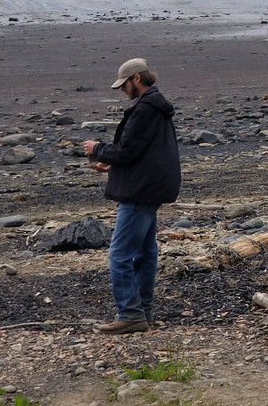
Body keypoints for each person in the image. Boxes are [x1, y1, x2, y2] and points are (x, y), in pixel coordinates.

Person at [83, 57, 181, 335]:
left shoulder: (145, 109)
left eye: (124, 85)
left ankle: (130, 313)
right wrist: (113, 163)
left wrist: (98, 149)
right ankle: (143, 312)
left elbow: (127, 150)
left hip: (141, 191)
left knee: (120, 254)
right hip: (153, 186)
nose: (123, 91)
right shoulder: (157, 107)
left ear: (136, 79)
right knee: (145, 251)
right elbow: (143, 151)